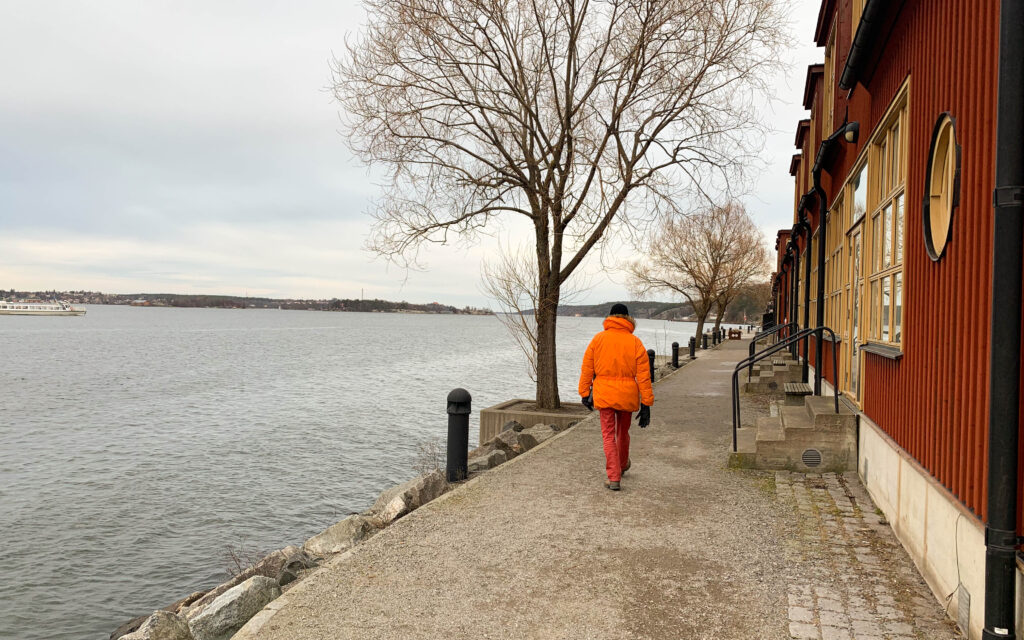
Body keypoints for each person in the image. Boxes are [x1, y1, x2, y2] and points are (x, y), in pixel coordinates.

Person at [577, 303, 654, 491]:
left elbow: (587, 368)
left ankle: (614, 477)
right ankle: (622, 464)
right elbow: (644, 376)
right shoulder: (635, 342)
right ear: (628, 319)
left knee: (608, 435)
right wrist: (646, 403)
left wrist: (584, 392)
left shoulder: (598, 339)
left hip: (605, 394)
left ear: (610, 318)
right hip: (627, 395)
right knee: (623, 433)